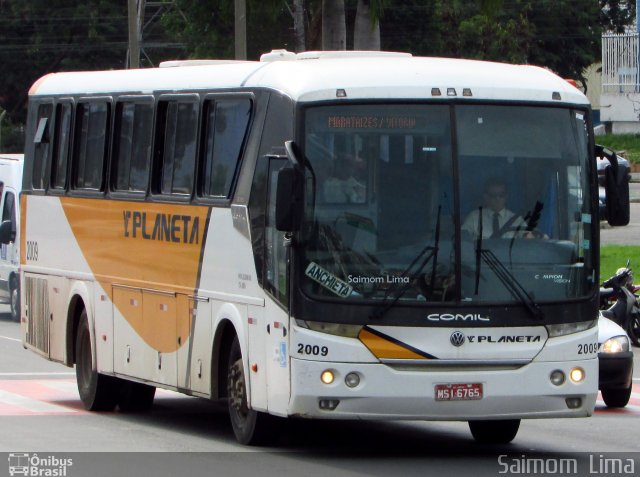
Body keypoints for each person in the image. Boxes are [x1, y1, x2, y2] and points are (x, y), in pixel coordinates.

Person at [462, 177, 529, 239]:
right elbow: (462, 240)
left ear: (506, 196)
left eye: (501, 195)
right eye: (493, 195)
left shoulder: (517, 220)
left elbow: (530, 243)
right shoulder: (474, 217)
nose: (497, 199)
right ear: (486, 197)